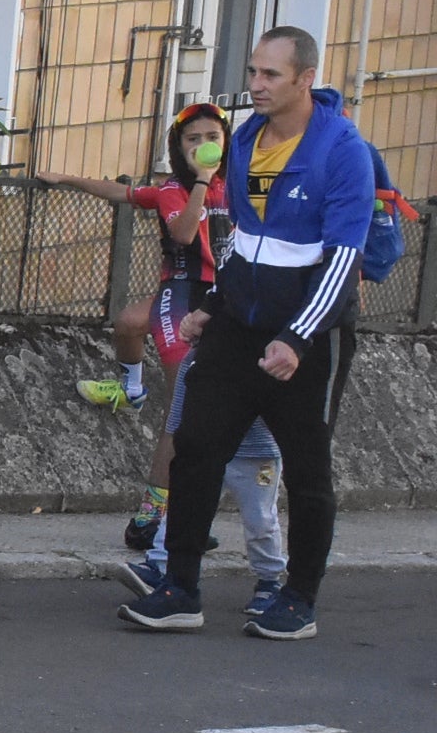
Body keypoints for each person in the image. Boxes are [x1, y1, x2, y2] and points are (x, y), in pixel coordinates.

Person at [120, 30, 374, 641]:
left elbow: (343, 257)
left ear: (304, 78)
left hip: (305, 338)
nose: (255, 85)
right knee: (197, 447)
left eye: (270, 75)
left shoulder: (343, 150)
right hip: (236, 326)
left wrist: (298, 338)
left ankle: (297, 598)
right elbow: (242, 239)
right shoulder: (246, 141)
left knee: (309, 471)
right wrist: (210, 303)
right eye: (253, 72)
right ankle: (180, 588)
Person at [41, 105, 282, 556]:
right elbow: (186, 235)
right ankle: (150, 518)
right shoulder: (176, 190)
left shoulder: (242, 187)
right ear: (179, 148)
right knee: (184, 411)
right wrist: (199, 184)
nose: (204, 143)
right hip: (182, 297)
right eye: (193, 138)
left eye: (212, 135)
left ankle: (186, 516)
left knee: (228, 414)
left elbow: (123, 192)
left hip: (230, 300)